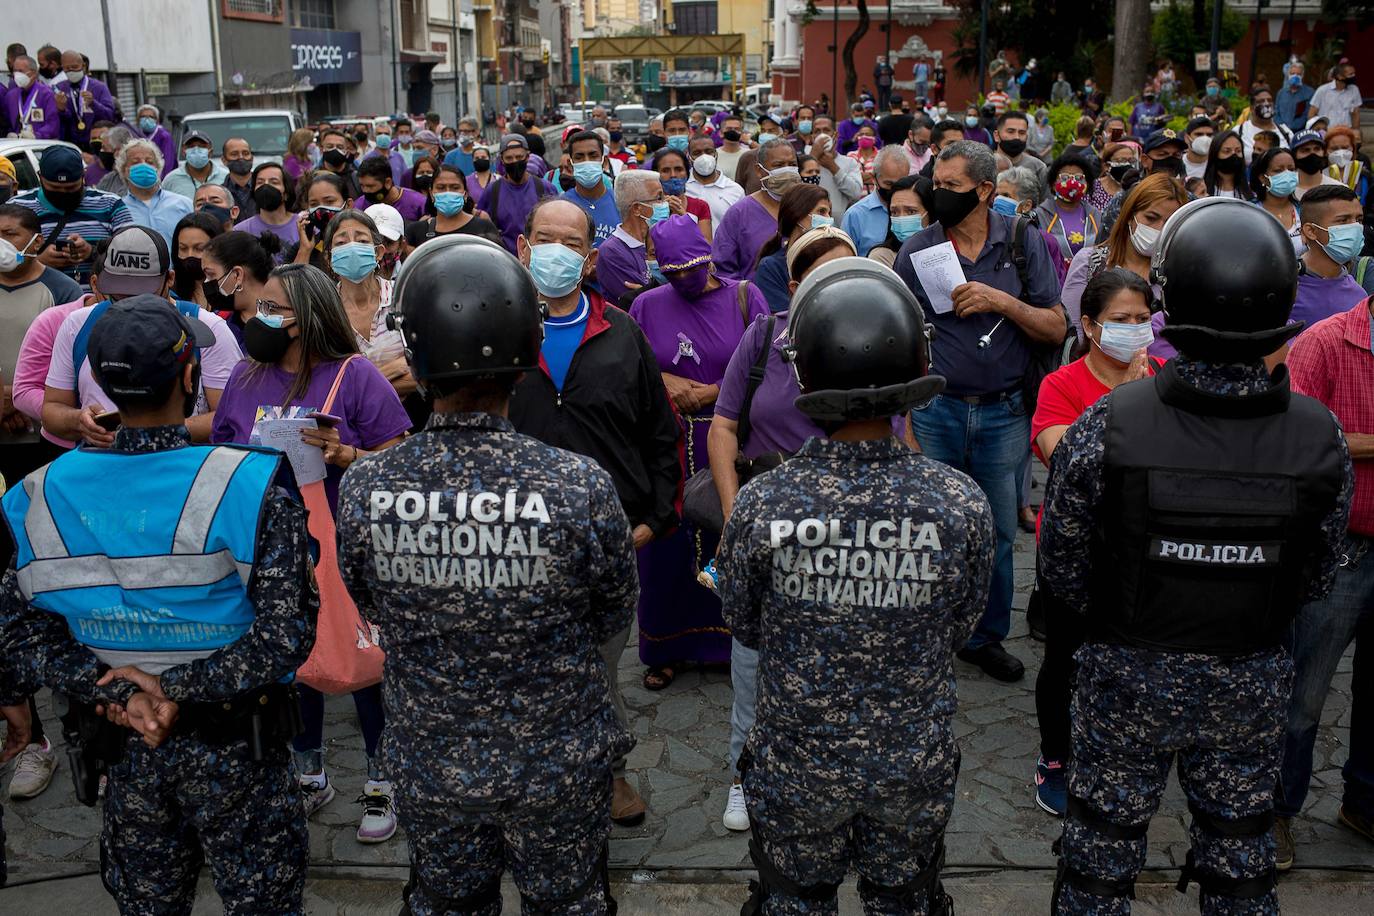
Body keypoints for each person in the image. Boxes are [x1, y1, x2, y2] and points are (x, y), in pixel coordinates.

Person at [1041, 197, 1352, 915]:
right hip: (1248, 678)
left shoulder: (1109, 423)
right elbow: (1319, 571)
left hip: (1125, 676)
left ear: (1168, 300)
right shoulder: (1319, 435)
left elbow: (1061, 566)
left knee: (1097, 865)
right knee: (1240, 862)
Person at [332, 234, 634, 915]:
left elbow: (367, 596)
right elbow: (612, 613)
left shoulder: (369, 484)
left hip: (432, 760)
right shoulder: (576, 483)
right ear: (527, 353)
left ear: (412, 355)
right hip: (558, 761)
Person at [0, 292, 318, 913]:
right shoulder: (244, 482)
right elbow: (286, 636)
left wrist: (122, 693)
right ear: (191, 376)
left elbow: (20, 635)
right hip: (237, 750)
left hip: (124, 745)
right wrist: (175, 690)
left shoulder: (35, 495)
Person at [719, 255, 994, 915]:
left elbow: (744, 621)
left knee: (793, 902)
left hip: (796, 763)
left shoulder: (766, 501)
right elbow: (962, 621)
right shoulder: (958, 502)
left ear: (805, 369)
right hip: (911, 763)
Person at [211, 261, 410, 842]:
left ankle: (382, 780)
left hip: (346, 543)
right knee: (292, 659)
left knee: (364, 662)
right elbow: (223, 453)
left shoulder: (355, 376)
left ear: (308, 317)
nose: (258, 317)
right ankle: (309, 772)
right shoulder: (248, 377)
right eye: (259, 306)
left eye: (274, 308)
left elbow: (398, 463)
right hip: (267, 546)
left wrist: (343, 454)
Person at [505, 198, 678, 828]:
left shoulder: (622, 331)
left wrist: (655, 518)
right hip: (513, 540)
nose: (554, 251)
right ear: (523, 248)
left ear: (590, 257)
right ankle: (527, 778)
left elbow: (660, 433)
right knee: (520, 666)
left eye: (569, 242)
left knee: (597, 667)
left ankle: (608, 773)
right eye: (543, 238)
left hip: (608, 542)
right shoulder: (496, 329)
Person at [894, 140, 1067, 683]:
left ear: (986, 191)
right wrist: (905, 419)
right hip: (936, 411)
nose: (937, 195)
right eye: (935, 184)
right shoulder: (918, 249)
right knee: (931, 528)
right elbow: (900, 337)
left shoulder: (1024, 243)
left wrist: (1000, 301)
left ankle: (985, 636)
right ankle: (926, 632)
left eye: (951, 187)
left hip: (1004, 413)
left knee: (995, 531)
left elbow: (1056, 327)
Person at [708, 225, 857, 831]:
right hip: (768, 527)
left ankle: (835, 770)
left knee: (844, 657)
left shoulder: (871, 340)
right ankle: (747, 773)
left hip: (848, 530)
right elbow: (723, 427)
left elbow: (900, 434)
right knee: (752, 654)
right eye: (819, 276)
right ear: (793, 286)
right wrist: (733, 513)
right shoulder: (764, 338)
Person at [1029, 268, 1164, 816]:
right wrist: (1126, 408)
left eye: (1141, 320)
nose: (1134, 330)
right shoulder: (1060, 386)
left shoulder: (1164, 379)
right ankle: (1055, 759)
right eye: (1119, 321)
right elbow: (1063, 457)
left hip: (1142, 552)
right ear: (1088, 325)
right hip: (1074, 554)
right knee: (1063, 659)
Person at [629, 216, 770, 690]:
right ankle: (666, 647)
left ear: (708, 256)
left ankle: (736, 645)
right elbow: (632, 365)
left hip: (731, 437)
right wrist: (665, 381)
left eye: (691, 267)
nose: (683, 278)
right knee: (667, 545)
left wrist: (715, 392)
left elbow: (765, 364)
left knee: (728, 533)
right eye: (671, 272)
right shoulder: (646, 305)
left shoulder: (745, 296)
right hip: (669, 442)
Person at [1277, 256, 1374, 870]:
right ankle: (1277, 813)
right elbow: (1297, 437)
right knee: (1303, 693)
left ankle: (1363, 801)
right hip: (1341, 549)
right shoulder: (1325, 341)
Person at [42, 224, 242, 446]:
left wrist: (149, 433)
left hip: (182, 471)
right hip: (102, 468)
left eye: (142, 291)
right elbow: (51, 410)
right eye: (120, 292)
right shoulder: (77, 324)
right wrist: (79, 421)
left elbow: (230, 415)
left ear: (169, 279)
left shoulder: (209, 329)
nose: (131, 302)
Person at [1061, 174, 1188, 359]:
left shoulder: (1177, 274)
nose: (1160, 229)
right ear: (1129, 216)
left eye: (1169, 223)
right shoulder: (1090, 263)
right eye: (1151, 218)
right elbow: (1073, 333)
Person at [324, 208, 415, 403]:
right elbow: (327, 384)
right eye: (341, 242)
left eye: (362, 241)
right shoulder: (325, 313)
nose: (352, 248)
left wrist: (358, 385)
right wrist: (396, 368)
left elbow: (422, 371)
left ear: (378, 252)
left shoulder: (404, 296)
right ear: (329, 258)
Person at [14, 145, 131, 289]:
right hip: (39, 303)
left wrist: (92, 252)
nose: (63, 193)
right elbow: (5, 257)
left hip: (97, 304)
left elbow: (132, 254)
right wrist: (36, 262)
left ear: (83, 176)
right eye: (54, 188)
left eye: (71, 188)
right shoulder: (16, 208)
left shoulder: (111, 204)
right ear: (40, 177)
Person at [712, 140, 800, 281]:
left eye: (792, 165)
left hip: (806, 299)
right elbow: (723, 269)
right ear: (759, 171)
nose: (787, 170)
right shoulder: (739, 213)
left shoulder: (808, 207)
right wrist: (747, 297)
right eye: (779, 165)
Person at [1288, 184, 1369, 329]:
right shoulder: (1286, 288)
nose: (1355, 227)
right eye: (1343, 220)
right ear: (1311, 231)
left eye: (1359, 220)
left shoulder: (1359, 295)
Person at [753, 184, 833, 312]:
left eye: (829, 213)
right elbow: (784, 319)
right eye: (821, 212)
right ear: (797, 214)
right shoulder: (771, 267)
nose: (829, 219)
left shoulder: (833, 259)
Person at [479, 134, 555, 254]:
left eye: (519, 157)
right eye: (509, 158)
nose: (515, 162)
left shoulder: (544, 188)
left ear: (528, 157)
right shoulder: (492, 191)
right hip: (505, 260)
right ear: (502, 160)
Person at [596, 169, 661, 307]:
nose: (666, 203)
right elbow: (644, 303)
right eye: (659, 198)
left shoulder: (660, 237)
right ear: (637, 208)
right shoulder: (612, 252)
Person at [200, 230, 277, 344]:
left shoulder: (284, 325)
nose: (206, 283)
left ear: (237, 274)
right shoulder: (218, 323)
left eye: (211, 275)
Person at [404, 163, 502, 251]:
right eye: (441, 188)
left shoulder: (484, 227)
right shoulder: (415, 232)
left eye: (455, 188)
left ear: (465, 194)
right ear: (431, 193)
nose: (448, 192)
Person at [839, 145, 913, 258]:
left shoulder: (918, 209)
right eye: (889, 184)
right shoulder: (855, 216)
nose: (896, 189)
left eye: (902, 182)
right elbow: (846, 260)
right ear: (874, 178)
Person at [117, 138, 192, 245]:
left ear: (157, 168)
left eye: (149, 162)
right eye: (135, 162)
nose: (144, 165)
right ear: (124, 170)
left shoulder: (183, 204)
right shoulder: (118, 210)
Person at [1037, 153, 1101, 265]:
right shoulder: (1040, 215)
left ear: (1088, 183)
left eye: (1079, 178)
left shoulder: (1095, 214)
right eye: (1065, 177)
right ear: (1052, 183)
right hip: (1055, 278)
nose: (1072, 182)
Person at [559, 130, 619, 248]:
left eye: (593, 155)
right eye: (579, 157)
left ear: (604, 161)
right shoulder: (561, 206)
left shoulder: (621, 203)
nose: (587, 161)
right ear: (571, 164)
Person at [807, 115, 865, 222]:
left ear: (835, 135)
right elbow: (796, 190)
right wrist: (813, 158)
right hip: (808, 224)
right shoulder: (802, 161)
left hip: (839, 226)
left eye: (826, 130)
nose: (822, 135)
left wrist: (833, 167)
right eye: (817, 131)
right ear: (812, 137)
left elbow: (856, 193)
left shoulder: (849, 162)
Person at [867, 174, 930, 270]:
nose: (901, 218)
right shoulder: (882, 257)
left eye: (911, 211)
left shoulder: (946, 252)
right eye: (894, 212)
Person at [54, 48, 114, 148]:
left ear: (83, 66)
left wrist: (93, 104)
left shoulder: (99, 87)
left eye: (74, 67)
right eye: (67, 69)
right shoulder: (59, 88)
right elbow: (58, 122)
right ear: (62, 68)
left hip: (97, 142)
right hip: (70, 143)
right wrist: (61, 110)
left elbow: (109, 116)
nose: (71, 71)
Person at [233, 161, 299, 251]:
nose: (266, 186)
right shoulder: (240, 231)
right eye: (260, 182)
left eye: (274, 182)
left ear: (286, 193)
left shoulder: (302, 226)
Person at [686, 134, 745, 228]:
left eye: (708, 152)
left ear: (716, 154)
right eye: (697, 153)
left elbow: (741, 227)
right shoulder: (682, 187)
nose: (704, 157)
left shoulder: (735, 190)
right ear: (689, 157)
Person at [1252, 146, 1304, 254]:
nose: (1287, 175)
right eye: (1278, 170)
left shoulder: (1305, 210)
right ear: (1262, 177)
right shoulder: (1250, 212)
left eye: (1291, 169)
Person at [168, 211, 224, 307]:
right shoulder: (168, 289)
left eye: (199, 249)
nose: (190, 255)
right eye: (183, 248)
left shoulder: (232, 288)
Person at [354, 154, 427, 222]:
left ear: (388, 182)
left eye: (370, 186)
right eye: (362, 186)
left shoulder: (419, 203)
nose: (365, 190)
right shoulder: (359, 206)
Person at [162, 131, 228, 201]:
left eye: (202, 146)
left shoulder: (226, 176)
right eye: (190, 146)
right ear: (183, 152)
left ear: (210, 151)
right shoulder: (171, 179)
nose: (196, 150)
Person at [3, 55, 58, 139]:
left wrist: (36, 135)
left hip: (40, 144)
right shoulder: (11, 96)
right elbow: (6, 122)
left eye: (20, 71)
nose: (17, 74)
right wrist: (10, 133)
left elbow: (52, 124)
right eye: (15, 71)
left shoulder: (46, 94)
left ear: (33, 73)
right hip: (17, 144)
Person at [1291, 128, 1346, 200]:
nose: (1312, 154)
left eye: (1317, 149)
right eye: (1305, 150)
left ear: (1324, 152)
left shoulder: (1338, 190)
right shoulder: (1284, 190)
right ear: (1294, 155)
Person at [1240, 89, 1293, 161]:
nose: (1267, 104)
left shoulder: (1286, 132)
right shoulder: (1240, 131)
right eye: (1261, 101)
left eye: (1269, 100)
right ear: (1252, 108)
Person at [1310, 60, 1361, 129]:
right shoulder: (1322, 90)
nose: (1353, 76)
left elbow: (1356, 114)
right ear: (1339, 76)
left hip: (1345, 132)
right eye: (1350, 74)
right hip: (1326, 132)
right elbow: (1312, 113)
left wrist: (1355, 131)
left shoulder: (1354, 90)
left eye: (1354, 73)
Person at [1089, 142, 1139, 212]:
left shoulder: (1137, 188)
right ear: (1106, 166)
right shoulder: (1092, 188)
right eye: (1121, 160)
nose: (1128, 164)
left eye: (1131, 161)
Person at [1325, 126, 1368, 204]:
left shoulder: (1364, 176)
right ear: (1325, 151)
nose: (1340, 152)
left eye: (1345, 147)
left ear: (1353, 148)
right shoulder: (1320, 176)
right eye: (1334, 148)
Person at [131, 103, 176, 176]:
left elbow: (168, 162)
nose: (147, 119)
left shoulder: (164, 136)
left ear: (157, 120)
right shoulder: (135, 135)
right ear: (138, 120)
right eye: (143, 116)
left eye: (151, 117)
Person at [317, 128, 362, 199]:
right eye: (330, 146)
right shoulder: (311, 178)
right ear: (321, 149)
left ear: (346, 151)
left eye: (340, 147)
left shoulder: (357, 178)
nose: (335, 150)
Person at [220, 137, 257, 219]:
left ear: (252, 158)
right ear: (224, 160)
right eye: (234, 154)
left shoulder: (264, 187)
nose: (241, 157)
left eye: (246, 153)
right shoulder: (220, 194)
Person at [1277, 62, 1316, 133]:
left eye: (1298, 74)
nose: (1295, 76)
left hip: (1299, 132)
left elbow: (1307, 114)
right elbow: (1277, 112)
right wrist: (1282, 127)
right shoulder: (1281, 93)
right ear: (1288, 75)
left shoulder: (1310, 93)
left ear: (1302, 76)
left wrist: (1291, 128)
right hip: (1281, 131)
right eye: (1292, 73)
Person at [712, 112, 749, 181]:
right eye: (729, 129)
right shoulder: (713, 155)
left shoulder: (749, 154)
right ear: (720, 133)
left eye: (737, 129)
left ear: (742, 132)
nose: (733, 131)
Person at [1180, 116, 1215, 180]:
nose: (1205, 138)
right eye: (1199, 134)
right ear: (1186, 138)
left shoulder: (1218, 165)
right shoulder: (1177, 165)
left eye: (1209, 135)